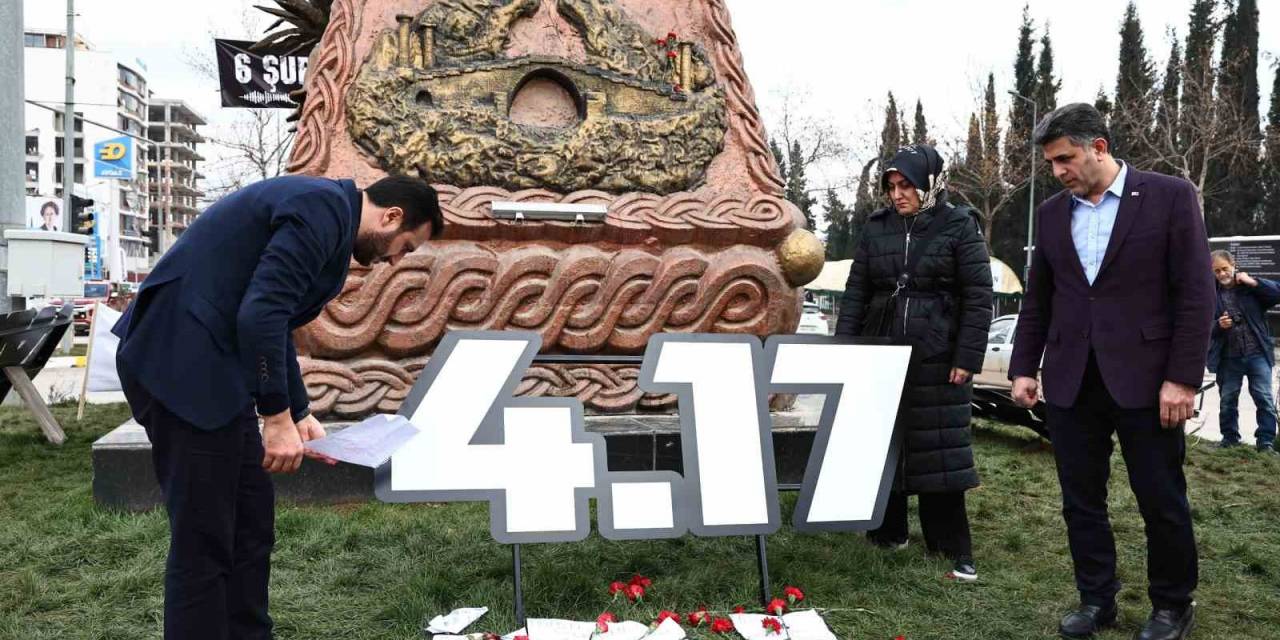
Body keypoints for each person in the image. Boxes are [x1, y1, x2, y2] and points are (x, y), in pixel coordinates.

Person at [113, 174, 442, 639]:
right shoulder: (322, 209)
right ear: (391, 217)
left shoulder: (329, 213)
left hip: (210, 366)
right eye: (405, 246)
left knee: (251, 527)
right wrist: (276, 417)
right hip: (180, 363)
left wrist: (301, 412)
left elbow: (274, 317)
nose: (395, 260)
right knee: (205, 539)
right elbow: (261, 313)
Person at [1008, 104, 1215, 640]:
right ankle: (1096, 600)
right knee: (1081, 501)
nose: (1059, 172)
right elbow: (1040, 299)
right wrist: (1025, 367)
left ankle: (1173, 605)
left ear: (1099, 146)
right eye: (1052, 164)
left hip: (1149, 382)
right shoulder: (1053, 214)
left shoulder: (1169, 197)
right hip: (1073, 379)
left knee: (1161, 498)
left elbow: (1196, 293)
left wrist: (1183, 377)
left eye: (1066, 159)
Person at [835, 144, 993, 582]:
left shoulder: (960, 226)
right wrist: (844, 351)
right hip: (880, 350)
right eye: (891, 186)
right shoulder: (876, 227)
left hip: (937, 355)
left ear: (931, 183)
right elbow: (857, 292)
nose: (898, 194)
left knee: (939, 449)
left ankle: (950, 546)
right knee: (885, 443)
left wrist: (967, 357)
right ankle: (888, 533)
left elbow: (979, 299)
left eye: (906, 185)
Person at [1207, 250, 1280, 453]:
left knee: (1263, 398)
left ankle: (1265, 442)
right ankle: (1230, 439)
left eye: (1224, 268)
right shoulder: (1210, 295)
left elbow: (1277, 293)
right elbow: (1202, 328)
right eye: (1216, 271)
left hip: (1258, 354)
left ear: (1233, 265)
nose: (1222, 274)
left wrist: (1254, 282)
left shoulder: (1250, 288)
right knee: (1227, 399)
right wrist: (1218, 326)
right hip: (1229, 357)